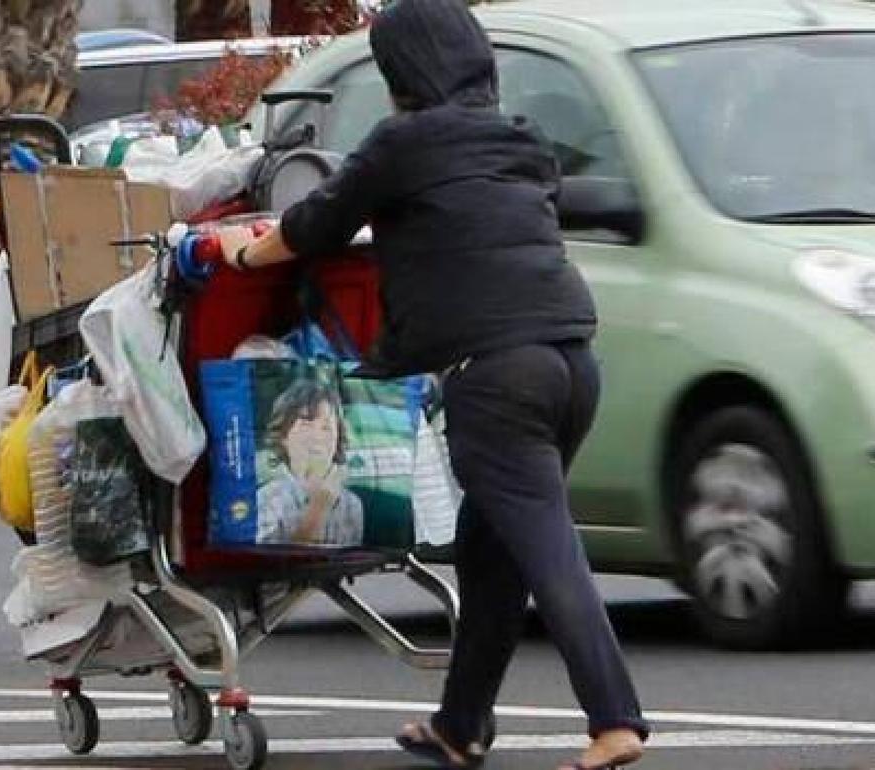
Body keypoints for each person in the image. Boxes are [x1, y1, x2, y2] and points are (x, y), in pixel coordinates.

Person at [218, 0, 650, 767]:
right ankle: (461, 726)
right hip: (573, 362)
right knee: (492, 559)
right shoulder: (522, 139)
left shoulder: (402, 143)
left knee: (547, 547)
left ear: (404, 71)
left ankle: (615, 722)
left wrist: (242, 256)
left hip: (495, 376)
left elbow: (316, 221)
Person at [256, 379, 364, 547]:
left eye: (326, 428)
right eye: (306, 424)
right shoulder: (266, 500)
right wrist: (320, 507)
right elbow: (277, 568)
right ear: (284, 435)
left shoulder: (352, 505)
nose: (317, 437)